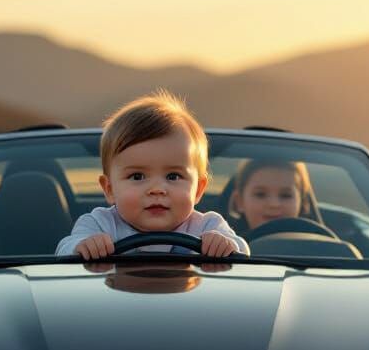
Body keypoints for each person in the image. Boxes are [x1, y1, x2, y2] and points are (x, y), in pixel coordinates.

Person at [56, 91, 249, 260]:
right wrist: (82, 246)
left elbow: (242, 251)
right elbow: (64, 250)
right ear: (110, 189)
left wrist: (225, 245)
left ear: (198, 189)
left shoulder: (208, 226)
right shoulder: (100, 223)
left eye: (173, 176)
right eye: (138, 176)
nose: (157, 189)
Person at [228, 157, 316, 233]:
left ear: (303, 202)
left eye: (285, 195)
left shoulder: (320, 249)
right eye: (260, 194)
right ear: (239, 201)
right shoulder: (223, 248)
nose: (274, 204)